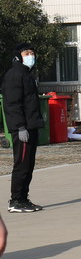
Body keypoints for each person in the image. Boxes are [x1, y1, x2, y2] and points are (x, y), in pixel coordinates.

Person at [1, 43, 44, 212]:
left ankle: (24, 198)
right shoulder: (14, 75)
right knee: (21, 165)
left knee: (29, 165)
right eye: (26, 53)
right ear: (18, 56)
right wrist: (20, 127)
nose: (30, 56)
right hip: (22, 128)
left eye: (32, 53)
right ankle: (15, 200)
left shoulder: (27, 74)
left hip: (31, 125)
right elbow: (13, 104)